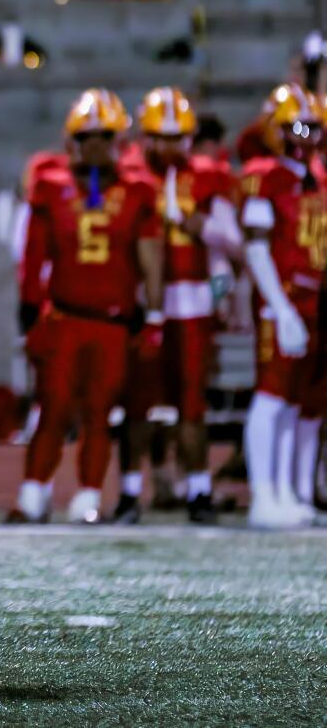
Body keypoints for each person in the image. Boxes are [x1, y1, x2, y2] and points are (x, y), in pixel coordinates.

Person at [11, 89, 164, 524]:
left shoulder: (138, 189)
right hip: (64, 316)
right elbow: (33, 254)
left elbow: (151, 256)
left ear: (120, 141)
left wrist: (154, 315)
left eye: (104, 136)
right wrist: (29, 309)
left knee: (100, 412)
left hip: (113, 321)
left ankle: (89, 494)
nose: (95, 145)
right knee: (53, 407)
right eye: (87, 136)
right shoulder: (50, 184)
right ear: (71, 140)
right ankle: (33, 492)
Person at [113, 88, 241, 525]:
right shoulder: (127, 173)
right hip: (140, 299)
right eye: (161, 137)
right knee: (138, 404)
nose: (170, 147)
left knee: (191, 403)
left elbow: (233, 241)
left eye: (177, 137)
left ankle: (198, 489)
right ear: (145, 135)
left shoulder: (206, 175)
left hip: (191, 298)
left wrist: (198, 225)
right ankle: (130, 491)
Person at [238, 83, 326, 528]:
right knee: (271, 397)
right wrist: (281, 306)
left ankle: (287, 491)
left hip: (314, 299)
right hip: (283, 299)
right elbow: (256, 248)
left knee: (293, 402)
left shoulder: (317, 176)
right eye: (297, 127)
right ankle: (263, 494)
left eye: (314, 127)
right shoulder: (265, 174)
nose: (307, 136)